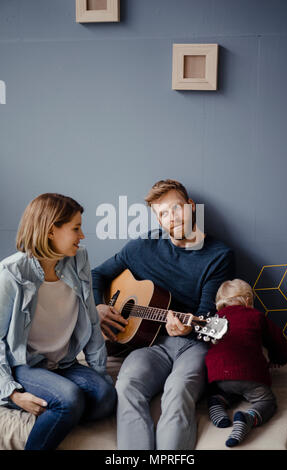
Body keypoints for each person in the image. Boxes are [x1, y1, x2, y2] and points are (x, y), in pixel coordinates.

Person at [92, 179, 235, 450]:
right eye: (163, 214)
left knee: (178, 390)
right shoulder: (141, 247)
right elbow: (96, 274)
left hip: (193, 342)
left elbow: (206, 314)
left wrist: (187, 327)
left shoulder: (219, 256)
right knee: (127, 386)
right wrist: (97, 307)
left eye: (176, 209)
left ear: (191, 207)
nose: (172, 219)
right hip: (149, 344)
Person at [0, 193, 116, 450]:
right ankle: (60, 406)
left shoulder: (79, 259)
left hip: (64, 363)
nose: (82, 236)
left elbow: (91, 320)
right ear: (52, 230)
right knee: (70, 398)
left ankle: (61, 409)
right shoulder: (11, 273)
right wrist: (12, 393)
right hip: (26, 365)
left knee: (106, 396)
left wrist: (97, 375)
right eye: (76, 228)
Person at [205, 278, 287, 447]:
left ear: (219, 301)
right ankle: (248, 417)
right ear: (249, 300)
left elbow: (209, 345)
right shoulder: (256, 316)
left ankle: (217, 403)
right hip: (250, 376)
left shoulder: (213, 320)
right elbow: (277, 340)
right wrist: (279, 359)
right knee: (267, 402)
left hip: (219, 378)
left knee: (231, 391)